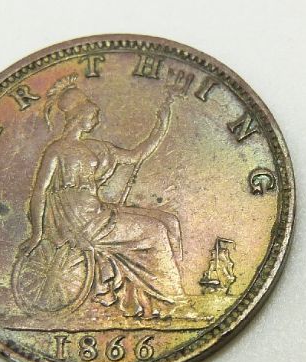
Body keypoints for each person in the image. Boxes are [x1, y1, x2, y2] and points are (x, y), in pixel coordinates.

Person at [18, 74, 187, 318]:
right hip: (82, 222)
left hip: (98, 212)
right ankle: (174, 301)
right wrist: (37, 233)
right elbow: (39, 192)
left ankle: (155, 297)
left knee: (169, 221)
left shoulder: (97, 148)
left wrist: (161, 125)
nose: (96, 121)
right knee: (156, 231)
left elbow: (137, 155)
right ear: (80, 117)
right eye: (93, 115)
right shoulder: (56, 151)